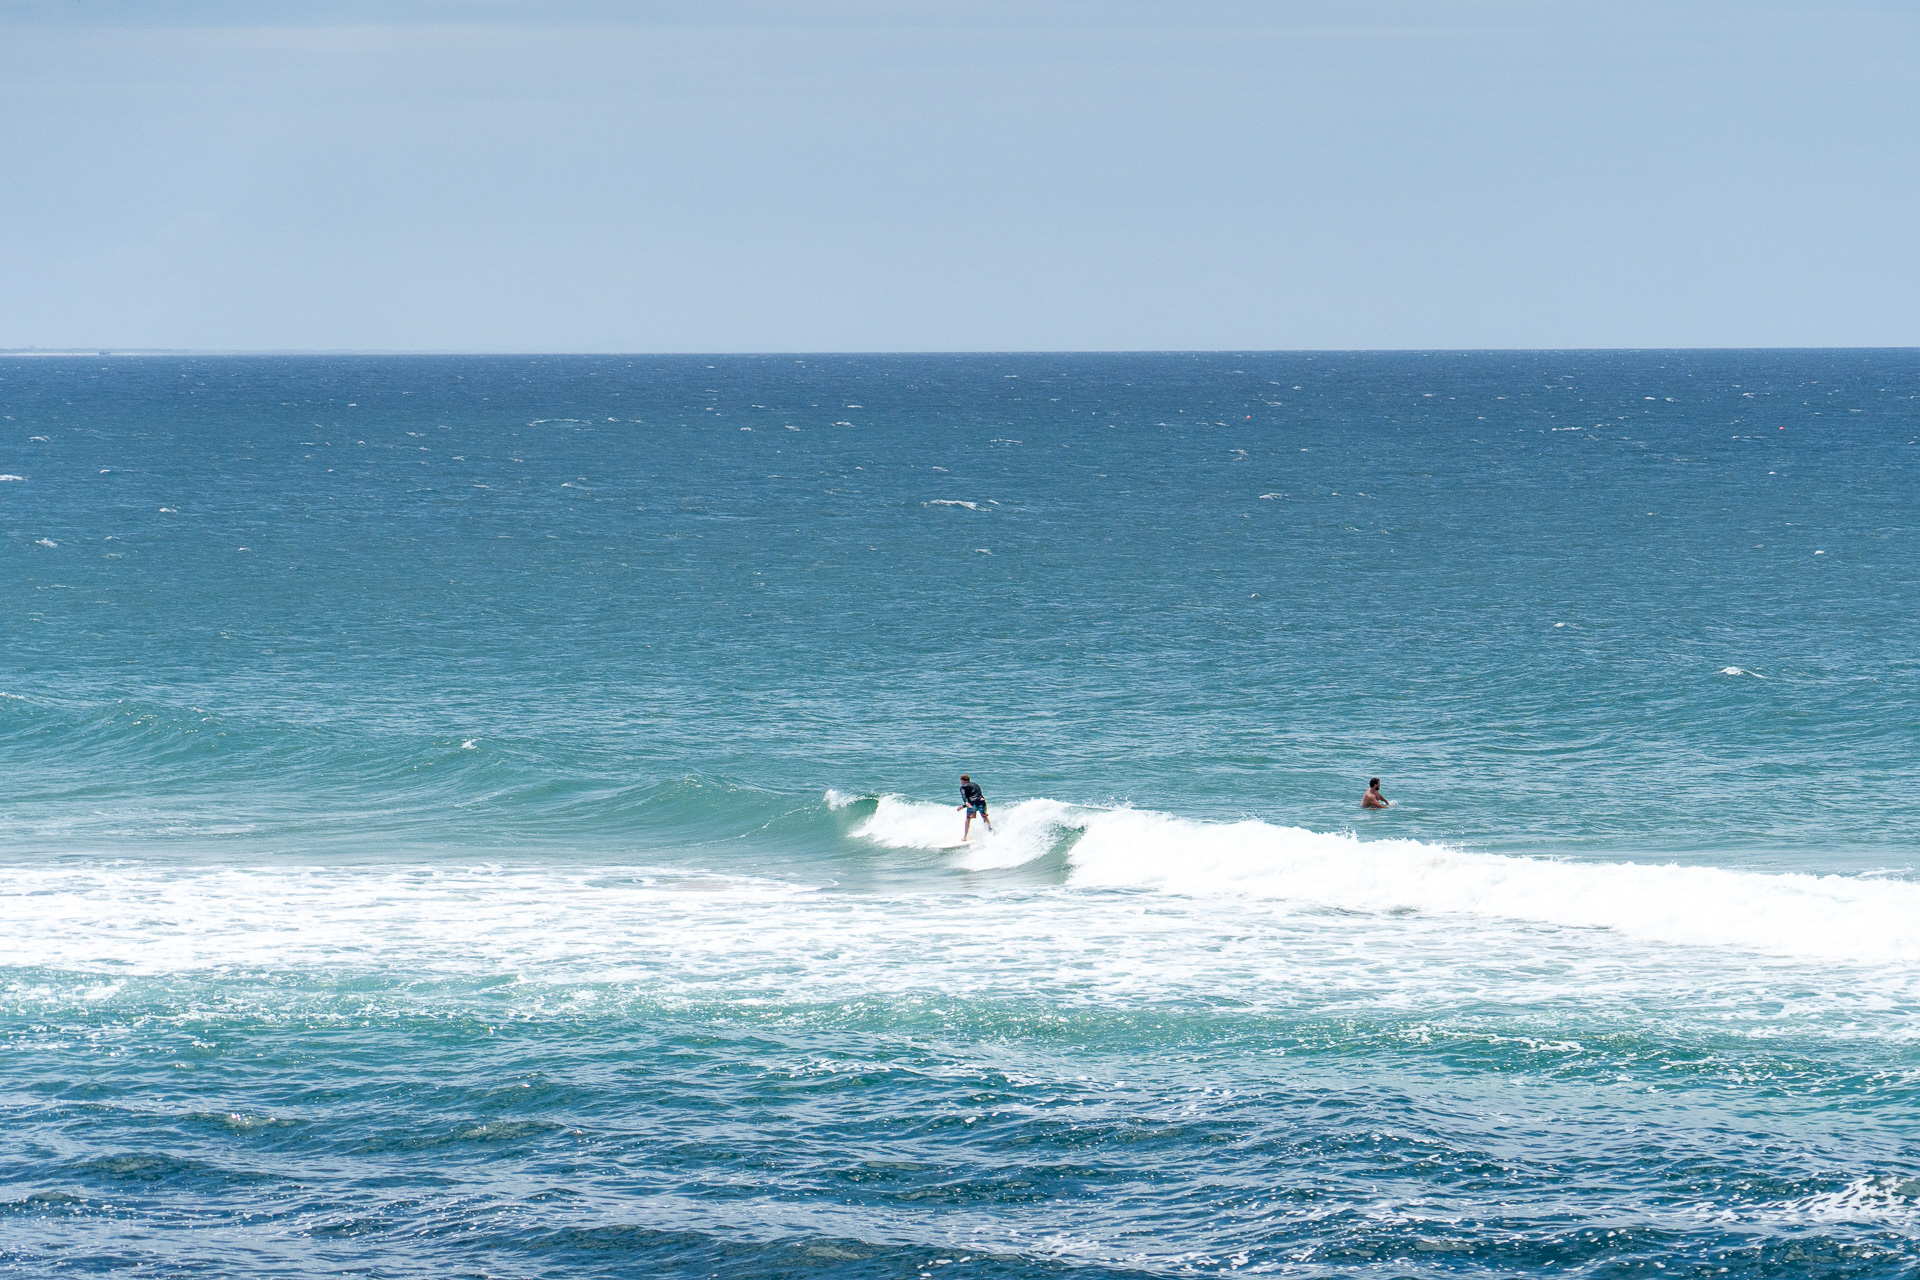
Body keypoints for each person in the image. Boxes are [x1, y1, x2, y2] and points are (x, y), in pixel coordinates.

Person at [958, 774, 992, 840]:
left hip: (972, 804)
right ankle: (991, 832)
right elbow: (978, 796)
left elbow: (963, 795)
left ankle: (965, 837)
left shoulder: (963, 787)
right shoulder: (976, 785)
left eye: (961, 781)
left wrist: (965, 803)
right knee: (984, 817)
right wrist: (964, 806)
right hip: (982, 802)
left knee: (968, 819)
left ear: (963, 781)